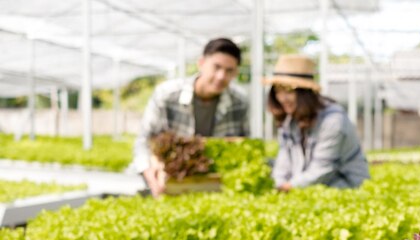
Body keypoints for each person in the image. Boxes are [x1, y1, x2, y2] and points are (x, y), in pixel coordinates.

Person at [133, 38, 249, 197]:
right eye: (216, 67)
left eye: (229, 71)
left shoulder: (239, 103)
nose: (221, 76)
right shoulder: (167, 95)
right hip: (171, 183)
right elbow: (143, 142)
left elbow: (243, 146)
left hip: (216, 188)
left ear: (235, 73)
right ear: (201, 63)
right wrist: (149, 171)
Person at [264, 55, 370, 191]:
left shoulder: (333, 121)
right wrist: (279, 184)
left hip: (344, 187)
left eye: (289, 91)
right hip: (307, 188)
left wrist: (289, 187)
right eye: (278, 91)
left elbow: (322, 169)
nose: (282, 98)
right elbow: (284, 161)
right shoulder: (290, 119)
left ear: (305, 93)